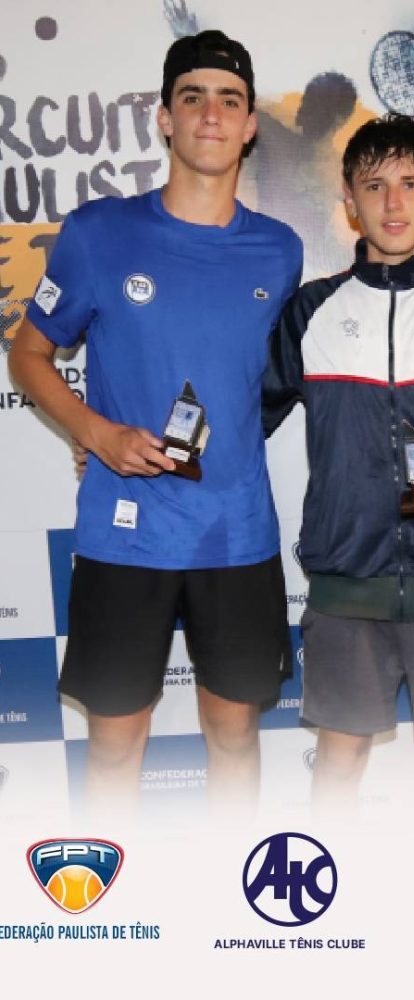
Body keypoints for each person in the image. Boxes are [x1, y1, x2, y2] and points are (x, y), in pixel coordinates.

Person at [9, 30, 302, 815]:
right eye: (192, 97)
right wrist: (95, 433)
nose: (211, 114)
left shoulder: (280, 251)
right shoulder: (98, 234)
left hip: (237, 535)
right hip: (124, 533)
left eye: (230, 101)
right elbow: (29, 355)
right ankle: (117, 890)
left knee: (235, 738)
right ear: (165, 118)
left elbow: (267, 386)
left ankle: (228, 884)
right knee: (113, 745)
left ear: (249, 126)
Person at [263, 114, 414, 813]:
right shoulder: (311, 310)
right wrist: (127, 443)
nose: (393, 204)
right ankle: (331, 885)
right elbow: (242, 422)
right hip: (345, 582)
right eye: (374, 186)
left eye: (411, 184)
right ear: (349, 201)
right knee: (337, 762)